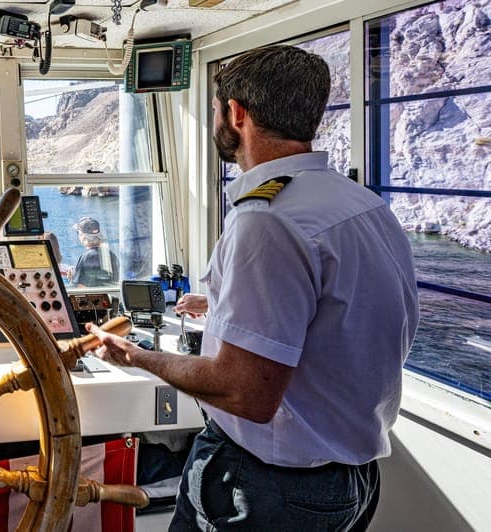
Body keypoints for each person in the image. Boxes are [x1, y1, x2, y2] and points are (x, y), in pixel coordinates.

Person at [88, 45, 418, 531]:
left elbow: (245, 395)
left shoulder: (268, 220)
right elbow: (342, 316)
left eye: (217, 109)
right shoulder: (363, 205)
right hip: (351, 481)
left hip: (266, 489)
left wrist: (134, 355)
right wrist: (223, 306)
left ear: (236, 114)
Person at [70, 216, 119, 288]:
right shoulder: (110, 255)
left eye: (78, 233)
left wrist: (73, 278)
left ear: (83, 236)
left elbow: (79, 289)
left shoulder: (86, 257)